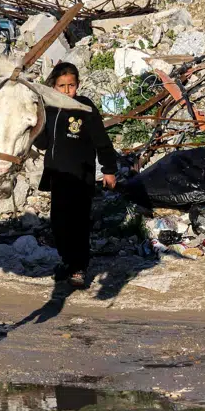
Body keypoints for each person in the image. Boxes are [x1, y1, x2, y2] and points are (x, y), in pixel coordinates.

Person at [34, 62, 118, 288]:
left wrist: (109, 169)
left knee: (78, 223)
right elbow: (42, 143)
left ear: (78, 85)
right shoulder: (50, 108)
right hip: (57, 175)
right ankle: (68, 261)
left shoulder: (84, 107)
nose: (67, 90)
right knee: (59, 223)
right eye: (62, 86)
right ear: (53, 86)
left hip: (81, 176)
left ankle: (79, 268)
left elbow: (102, 141)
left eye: (71, 85)